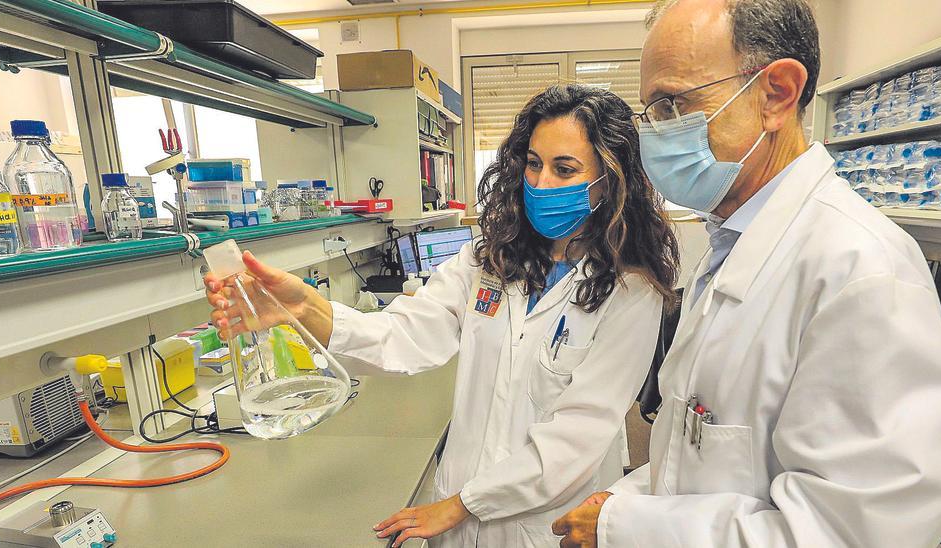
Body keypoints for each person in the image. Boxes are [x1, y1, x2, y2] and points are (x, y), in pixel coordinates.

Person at [552, 0, 941, 546]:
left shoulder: (861, 270)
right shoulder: (732, 239)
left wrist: (626, 525)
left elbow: (849, 534)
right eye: (651, 113)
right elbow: (708, 454)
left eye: (672, 105)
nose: (654, 136)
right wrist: (629, 500)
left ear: (776, 93)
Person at [204, 84, 679, 547]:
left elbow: (578, 436)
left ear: (610, 182)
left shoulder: (632, 289)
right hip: (456, 512)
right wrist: (304, 308)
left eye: (565, 169)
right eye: (533, 164)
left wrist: (460, 505)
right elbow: (404, 335)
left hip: (544, 520)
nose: (541, 183)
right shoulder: (487, 259)